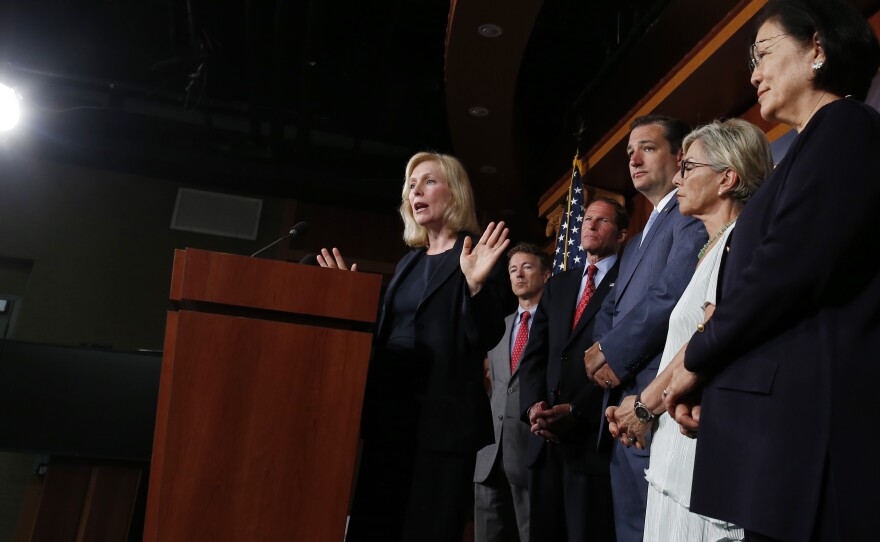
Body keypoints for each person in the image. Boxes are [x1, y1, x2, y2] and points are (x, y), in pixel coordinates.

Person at [661, 1, 880, 540]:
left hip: (810, 438)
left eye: (762, 53)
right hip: (779, 431)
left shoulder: (846, 127)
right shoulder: (811, 146)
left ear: (817, 50)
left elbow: (787, 270)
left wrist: (699, 356)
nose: (753, 73)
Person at [318, 151, 517, 541]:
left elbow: (488, 334)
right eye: (411, 185)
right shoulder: (408, 263)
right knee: (374, 526)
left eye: (428, 181)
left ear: (455, 193)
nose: (416, 191)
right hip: (391, 420)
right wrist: (348, 303)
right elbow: (389, 335)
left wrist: (475, 288)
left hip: (442, 426)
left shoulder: (477, 255)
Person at [605, 118, 773, 541]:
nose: (677, 179)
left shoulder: (741, 242)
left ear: (727, 178)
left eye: (688, 167)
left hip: (700, 444)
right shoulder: (709, 247)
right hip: (675, 443)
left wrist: (643, 406)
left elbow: (708, 335)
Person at [582, 114, 708, 542]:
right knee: (630, 528)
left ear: (679, 157)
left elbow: (670, 295)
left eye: (647, 148)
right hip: (620, 403)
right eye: (630, 152)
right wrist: (598, 350)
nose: (634, 159)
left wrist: (611, 354)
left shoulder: (689, 214)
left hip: (657, 399)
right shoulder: (634, 240)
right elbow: (611, 305)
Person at [518, 197, 629, 542]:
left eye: (603, 221)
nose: (591, 226)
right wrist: (533, 408)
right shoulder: (559, 284)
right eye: (587, 219)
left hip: (591, 440)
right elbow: (534, 357)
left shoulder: (627, 280)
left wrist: (577, 411)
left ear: (622, 234)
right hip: (545, 444)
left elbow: (625, 356)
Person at [473, 242, 552, 542]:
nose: (518, 275)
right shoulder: (499, 327)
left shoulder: (556, 324)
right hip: (489, 451)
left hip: (531, 448)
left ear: (546, 275)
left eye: (527, 267)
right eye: (512, 270)